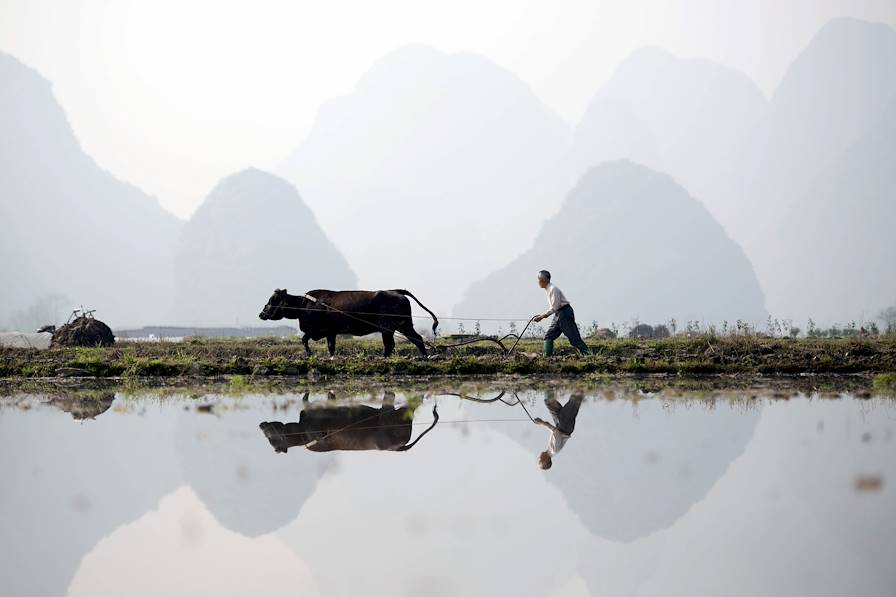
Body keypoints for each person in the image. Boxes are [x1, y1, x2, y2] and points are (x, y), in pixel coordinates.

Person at [533, 270, 591, 356]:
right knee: (549, 336)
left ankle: (589, 355)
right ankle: (547, 358)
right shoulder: (548, 289)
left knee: (574, 338)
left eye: (538, 279)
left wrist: (542, 316)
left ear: (543, 280)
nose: (537, 281)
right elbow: (555, 307)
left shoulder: (553, 289)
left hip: (564, 313)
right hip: (559, 313)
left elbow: (555, 307)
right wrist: (542, 315)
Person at [533, 390, 584, 469]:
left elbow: (555, 432)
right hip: (565, 426)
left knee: (549, 401)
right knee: (574, 402)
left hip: (560, 425)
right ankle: (582, 384)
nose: (538, 458)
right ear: (546, 460)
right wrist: (543, 423)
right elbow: (556, 432)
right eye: (540, 460)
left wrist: (543, 424)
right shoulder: (554, 450)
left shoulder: (550, 449)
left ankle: (551, 382)